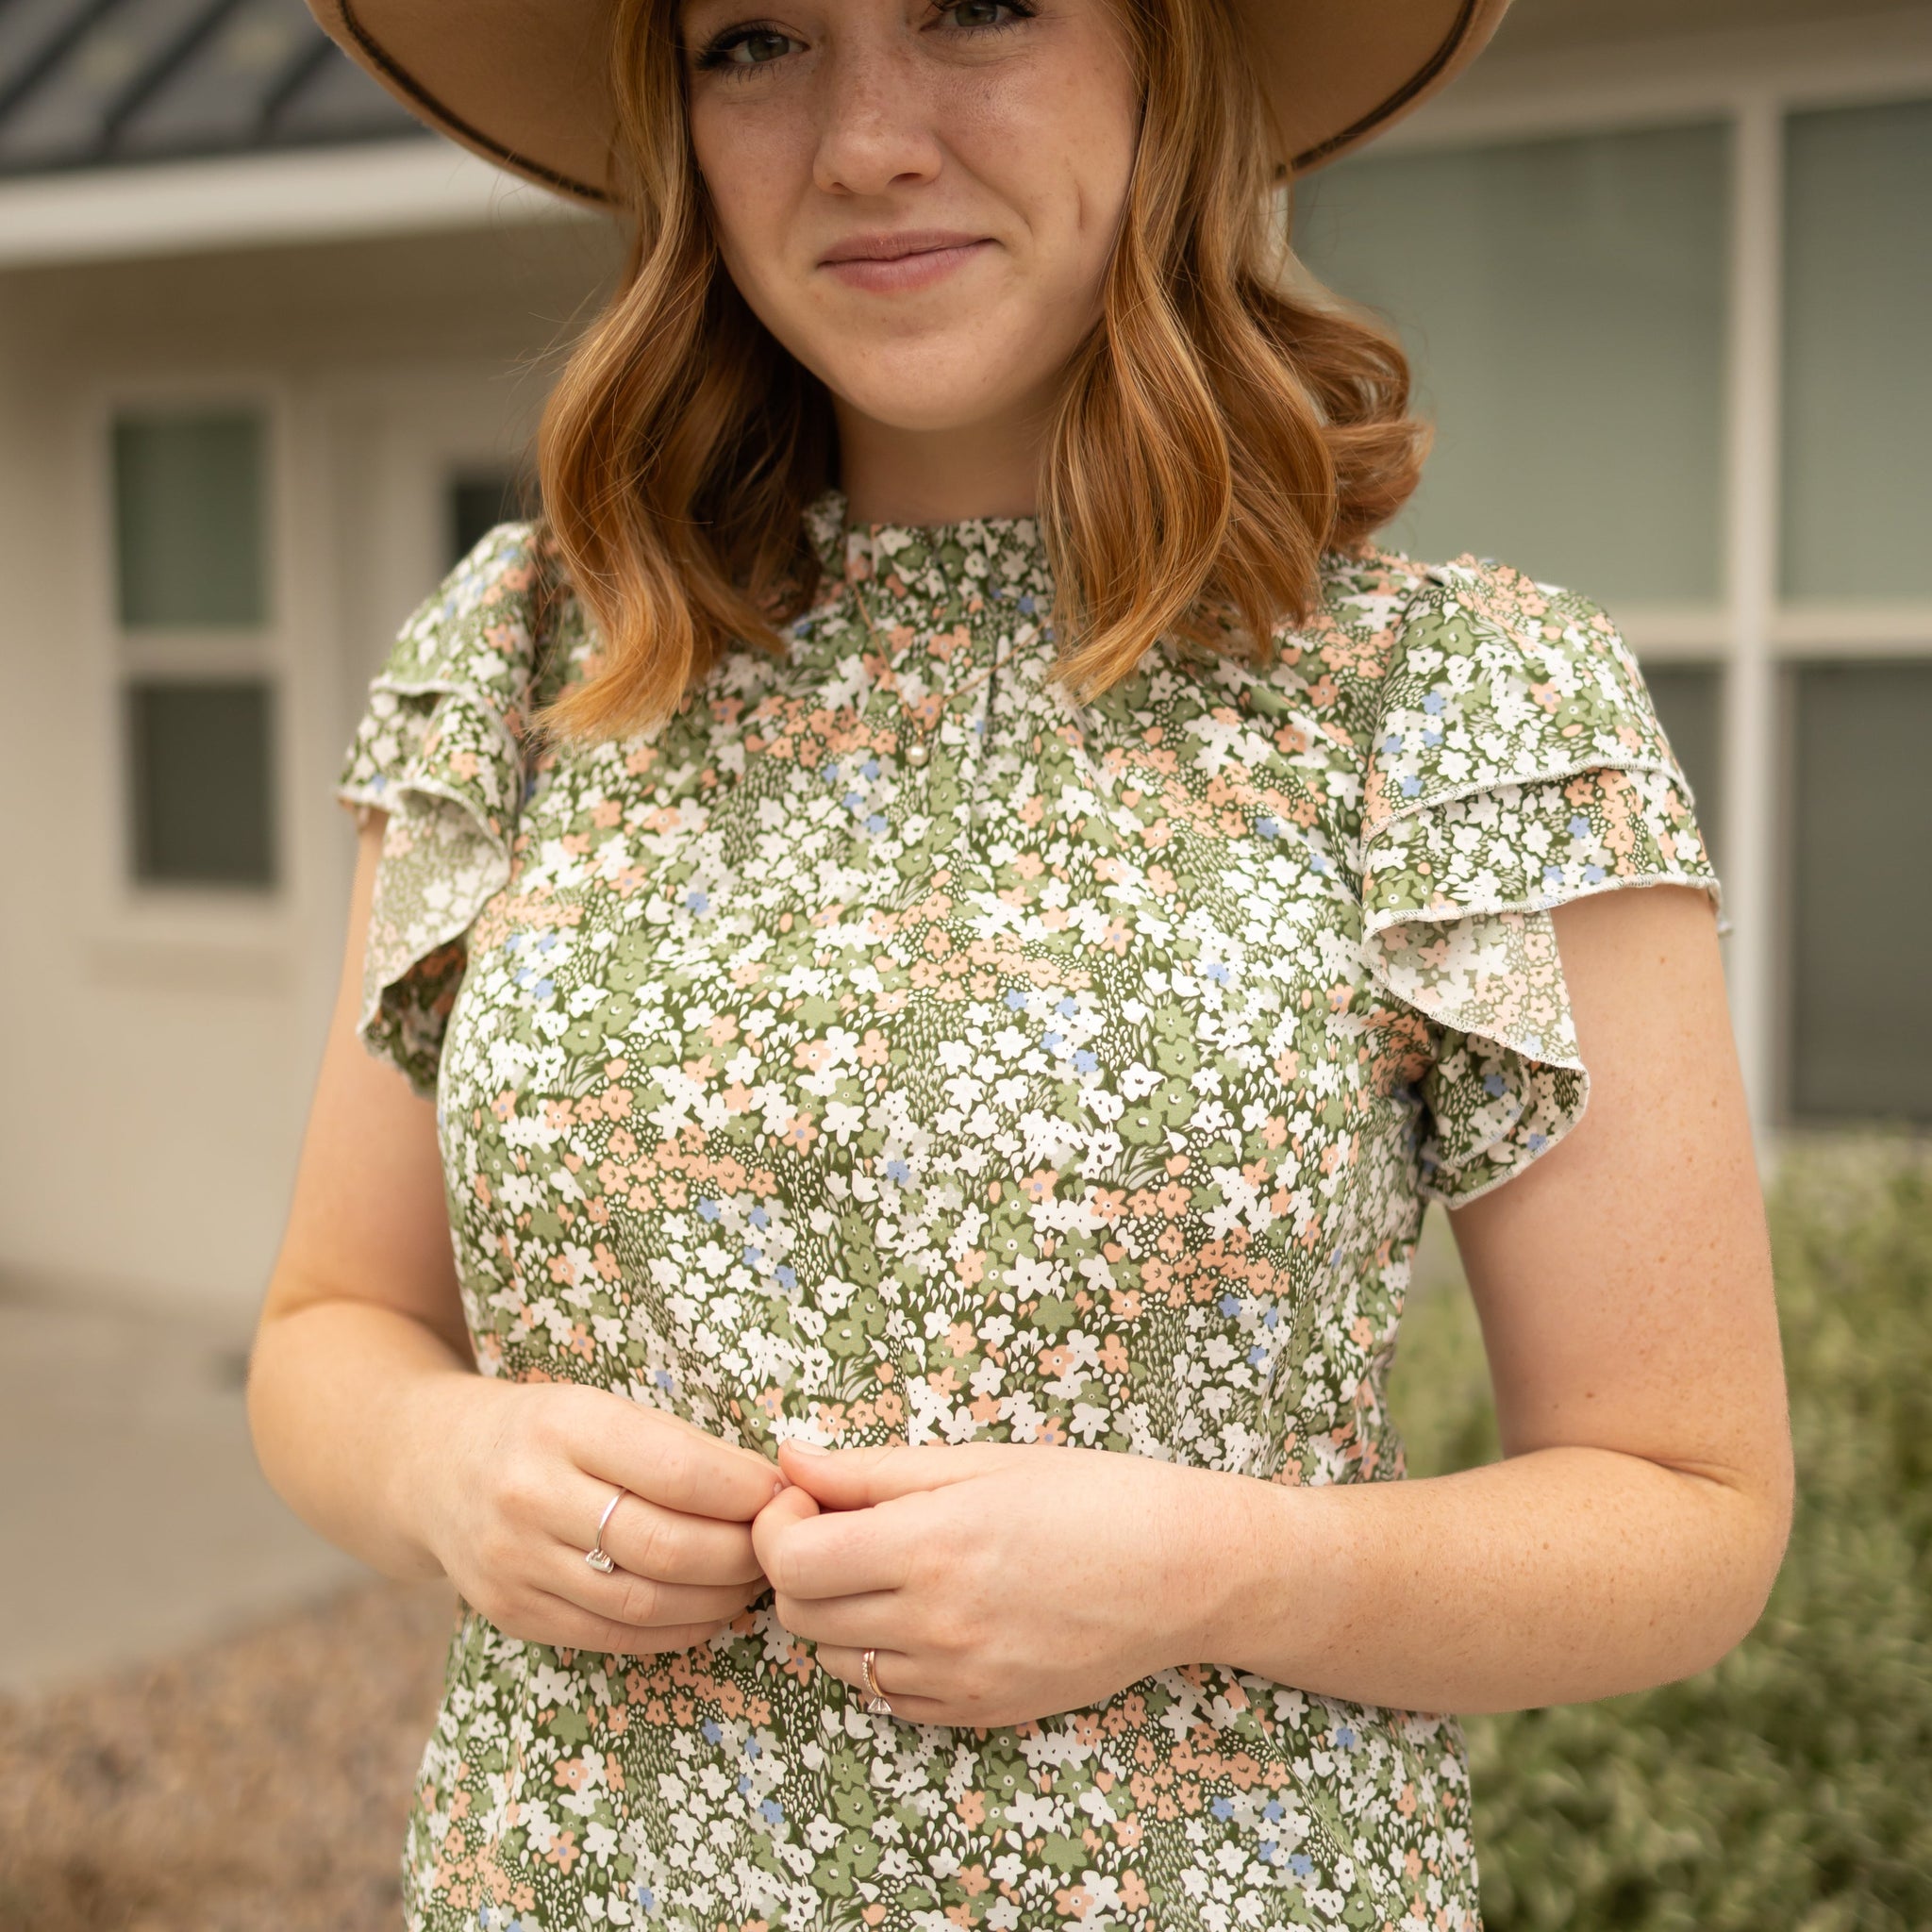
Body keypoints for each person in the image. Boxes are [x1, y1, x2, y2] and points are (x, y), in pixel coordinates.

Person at [252, 0, 1793, 1924]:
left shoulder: (1453, 700)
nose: (865, 142)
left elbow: (1686, 1517)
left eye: (977, 4)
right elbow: (326, 1329)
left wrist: (1216, 1571)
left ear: (1169, 55)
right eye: (756, 39)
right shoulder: (524, 664)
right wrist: (440, 1461)